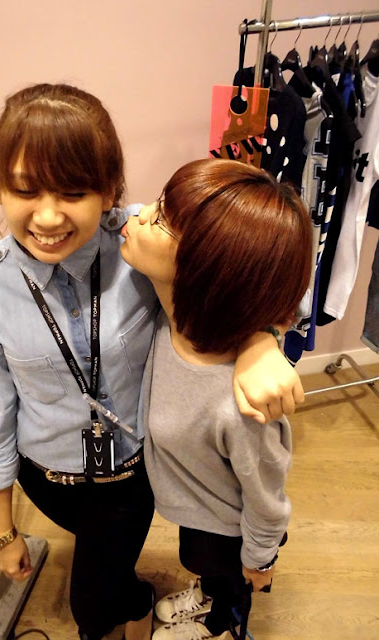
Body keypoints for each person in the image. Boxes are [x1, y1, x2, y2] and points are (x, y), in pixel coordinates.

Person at [0, 83, 305, 640]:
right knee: (108, 571)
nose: (47, 216)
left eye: (73, 191)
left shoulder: (141, 238)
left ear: (108, 191)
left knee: (92, 608)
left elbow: (250, 267)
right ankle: (138, 600)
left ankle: (138, 607)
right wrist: (2, 528)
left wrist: (260, 341)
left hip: (130, 477)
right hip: (46, 475)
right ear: (0, 187)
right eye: (24, 189)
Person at [119, 158, 312, 640]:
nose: (139, 214)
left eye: (160, 220)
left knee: (230, 581)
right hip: (192, 508)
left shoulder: (240, 405)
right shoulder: (167, 316)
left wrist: (259, 561)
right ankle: (210, 594)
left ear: (206, 270)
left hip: (230, 528)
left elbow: (267, 499)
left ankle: (221, 622)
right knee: (202, 564)